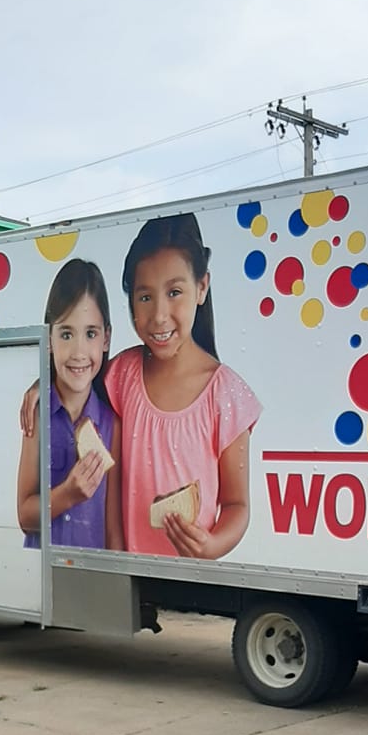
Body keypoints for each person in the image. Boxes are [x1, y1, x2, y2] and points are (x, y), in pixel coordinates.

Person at [106, 212, 261, 558]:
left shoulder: (226, 395)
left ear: (201, 287)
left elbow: (237, 504)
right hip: (125, 578)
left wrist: (212, 544)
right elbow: (110, 490)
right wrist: (43, 386)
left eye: (174, 292)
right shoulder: (120, 376)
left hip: (188, 582)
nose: (159, 316)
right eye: (145, 297)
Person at [16, 257, 119, 551]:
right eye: (66, 334)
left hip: (91, 573)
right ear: (48, 338)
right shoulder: (37, 413)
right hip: (42, 573)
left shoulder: (112, 423)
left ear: (106, 338)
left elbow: (113, 528)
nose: (78, 352)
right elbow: (25, 516)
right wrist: (68, 494)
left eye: (90, 333)